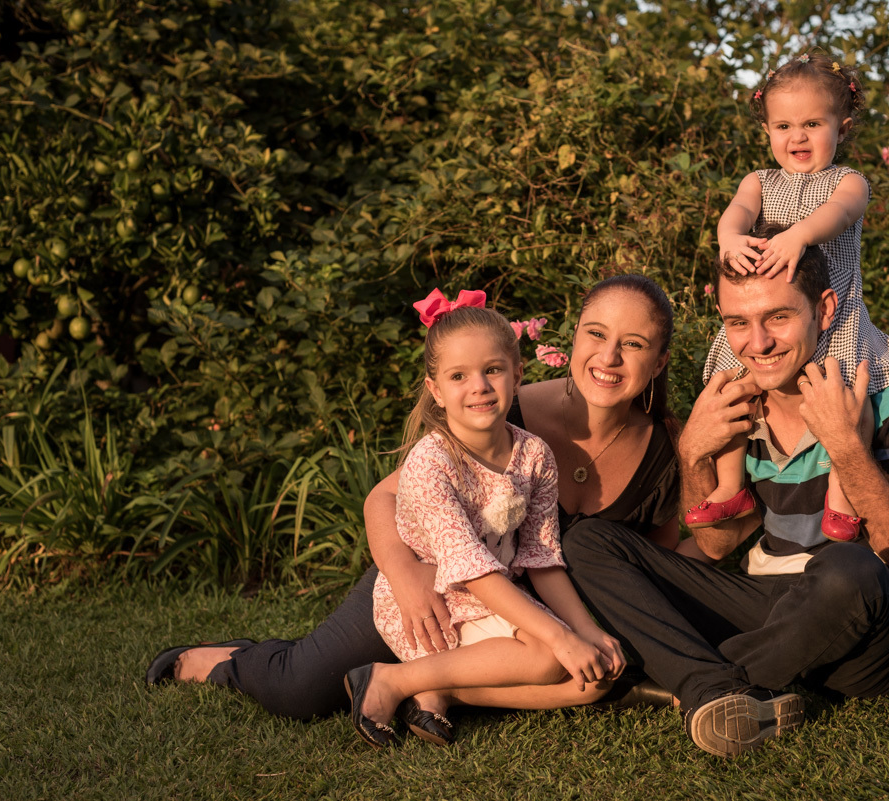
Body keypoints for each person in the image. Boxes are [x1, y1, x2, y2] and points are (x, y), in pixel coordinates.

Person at [145, 274, 687, 725]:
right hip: (421, 581)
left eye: (634, 343)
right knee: (302, 690)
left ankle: (432, 689)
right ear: (574, 338)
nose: (609, 356)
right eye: (596, 333)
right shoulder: (495, 409)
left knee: (574, 675)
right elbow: (384, 498)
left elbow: (648, 562)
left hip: (506, 605)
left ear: (658, 361)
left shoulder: (608, 451)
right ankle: (222, 661)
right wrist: (405, 576)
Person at [561, 239, 889, 758]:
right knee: (589, 541)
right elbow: (719, 544)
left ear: (825, 309)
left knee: (850, 567)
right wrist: (695, 451)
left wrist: (848, 447)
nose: (756, 343)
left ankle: (690, 681)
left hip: (863, 624)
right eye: (738, 322)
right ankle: (717, 687)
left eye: (778, 317)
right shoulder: (738, 397)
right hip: (768, 604)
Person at [345, 288, 625, 749]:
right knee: (551, 659)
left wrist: (587, 630)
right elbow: (469, 569)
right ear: (436, 390)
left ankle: (438, 689)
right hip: (434, 605)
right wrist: (559, 637)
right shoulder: (432, 462)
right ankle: (388, 681)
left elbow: (542, 557)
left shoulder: (535, 454)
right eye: (459, 376)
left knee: (592, 681)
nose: (479, 386)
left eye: (493, 370)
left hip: (497, 598)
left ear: (517, 375)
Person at [685, 51, 889, 540]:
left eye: (813, 123)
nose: (797, 137)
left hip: (835, 317)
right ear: (767, 130)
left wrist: (799, 235)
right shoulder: (759, 182)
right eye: (784, 125)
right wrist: (729, 238)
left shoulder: (848, 182)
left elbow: (838, 213)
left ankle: (842, 495)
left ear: (843, 125)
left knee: (851, 396)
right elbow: (735, 214)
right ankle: (730, 486)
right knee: (730, 393)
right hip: (771, 313)